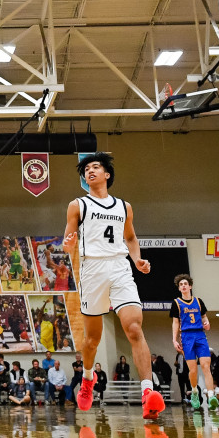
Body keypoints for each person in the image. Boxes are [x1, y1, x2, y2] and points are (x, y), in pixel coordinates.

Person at [63, 153, 165, 419]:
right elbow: (68, 238)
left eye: (95, 167)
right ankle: (87, 379)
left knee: (133, 327)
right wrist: (68, 244)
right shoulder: (77, 205)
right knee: (92, 340)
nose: (90, 171)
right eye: (86, 169)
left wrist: (137, 259)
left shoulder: (124, 207)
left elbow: (130, 237)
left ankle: (147, 393)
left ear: (107, 174)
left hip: (120, 268)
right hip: (92, 270)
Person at [170, 273, 218, 411]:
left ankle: (211, 395)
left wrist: (207, 323)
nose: (183, 286)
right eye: (181, 285)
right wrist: (174, 339)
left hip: (200, 335)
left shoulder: (198, 301)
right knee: (192, 369)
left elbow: (204, 317)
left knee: (205, 366)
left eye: (185, 284)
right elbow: (175, 322)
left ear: (190, 286)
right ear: (179, 288)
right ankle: (195, 392)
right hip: (186, 336)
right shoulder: (176, 303)